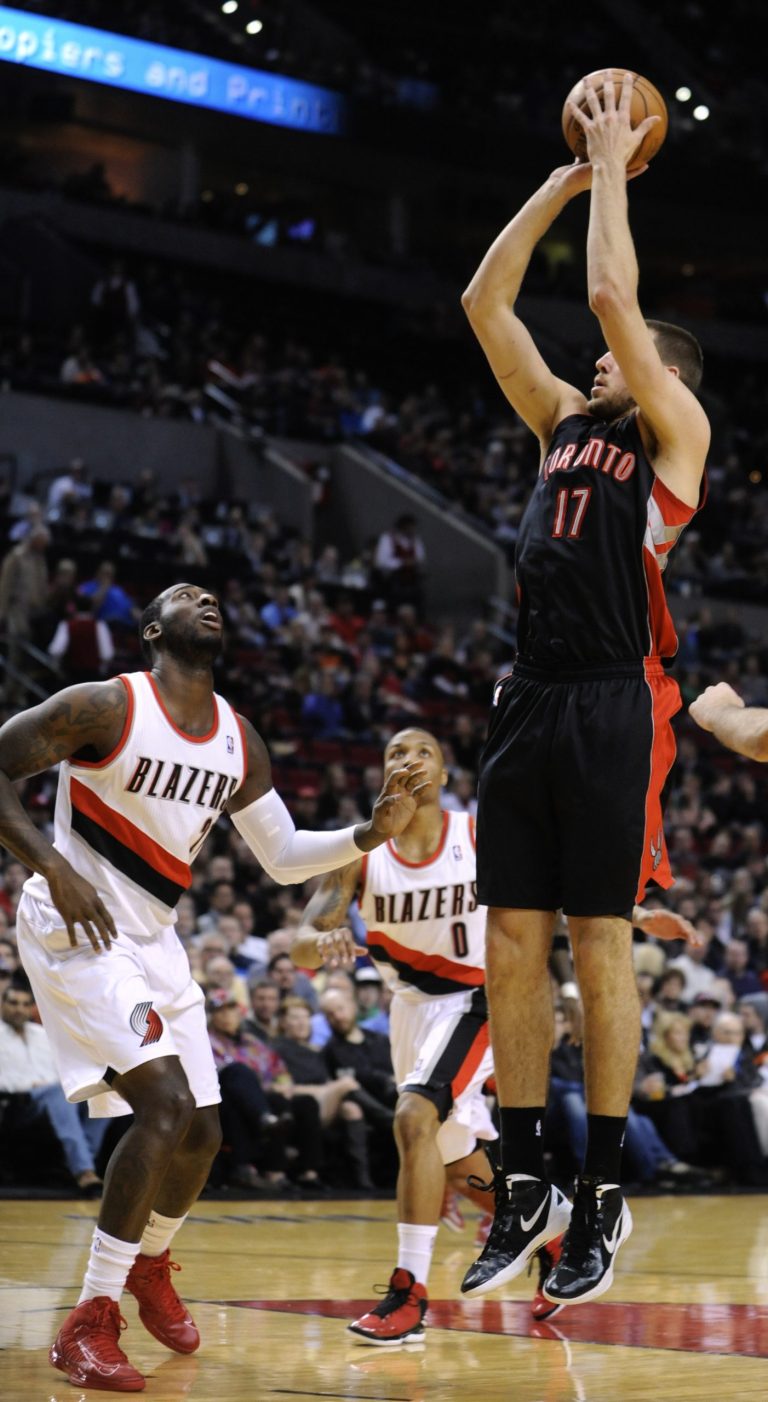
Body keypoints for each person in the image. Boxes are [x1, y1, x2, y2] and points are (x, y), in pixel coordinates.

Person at [0, 581, 426, 1392]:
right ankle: (87, 1321)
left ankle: (148, 1263)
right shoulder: (106, 706)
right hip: (77, 922)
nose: (207, 599)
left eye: (213, 597)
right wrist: (54, 868)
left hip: (153, 938)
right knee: (159, 1105)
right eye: (185, 596)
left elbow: (282, 855)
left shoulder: (239, 738)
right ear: (154, 628)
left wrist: (367, 833)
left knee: (201, 1132)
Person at [459, 71, 710, 1309]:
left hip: (617, 698)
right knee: (511, 939)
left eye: (626, 357)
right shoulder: (561, 419)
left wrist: (614, 160)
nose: (602, 359)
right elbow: (482, 299)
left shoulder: (675, 440)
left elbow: (613, 295)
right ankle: (524, 1177)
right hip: (530, 693)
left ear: (660, 372)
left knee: (597, 941)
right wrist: (561, 180)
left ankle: (603, 1184)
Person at [293, 727, 572, 1344]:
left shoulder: (477, 835)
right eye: (396, 752)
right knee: (445, 1158)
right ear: (382, 776)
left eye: (423, 751)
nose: (409, 759)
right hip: (409, 1010)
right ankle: (548, 1237)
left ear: (444, 776)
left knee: (414, 1120)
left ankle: (408, 1296)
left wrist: (598, 950)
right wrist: (324, 942)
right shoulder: (360, 852)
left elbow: (549, 899)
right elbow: (301, 944)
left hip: (478, 1000)